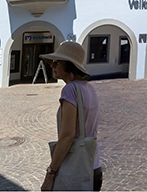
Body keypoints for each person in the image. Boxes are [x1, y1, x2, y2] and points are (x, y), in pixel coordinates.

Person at [40, 41, 101, 191]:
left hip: (76, 170)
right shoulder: (90, 88)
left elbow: (67, 136)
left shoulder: (70, 90)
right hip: (94, 166)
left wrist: (50, 173)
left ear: (68, 65)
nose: (52, 66)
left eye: (56, 62)